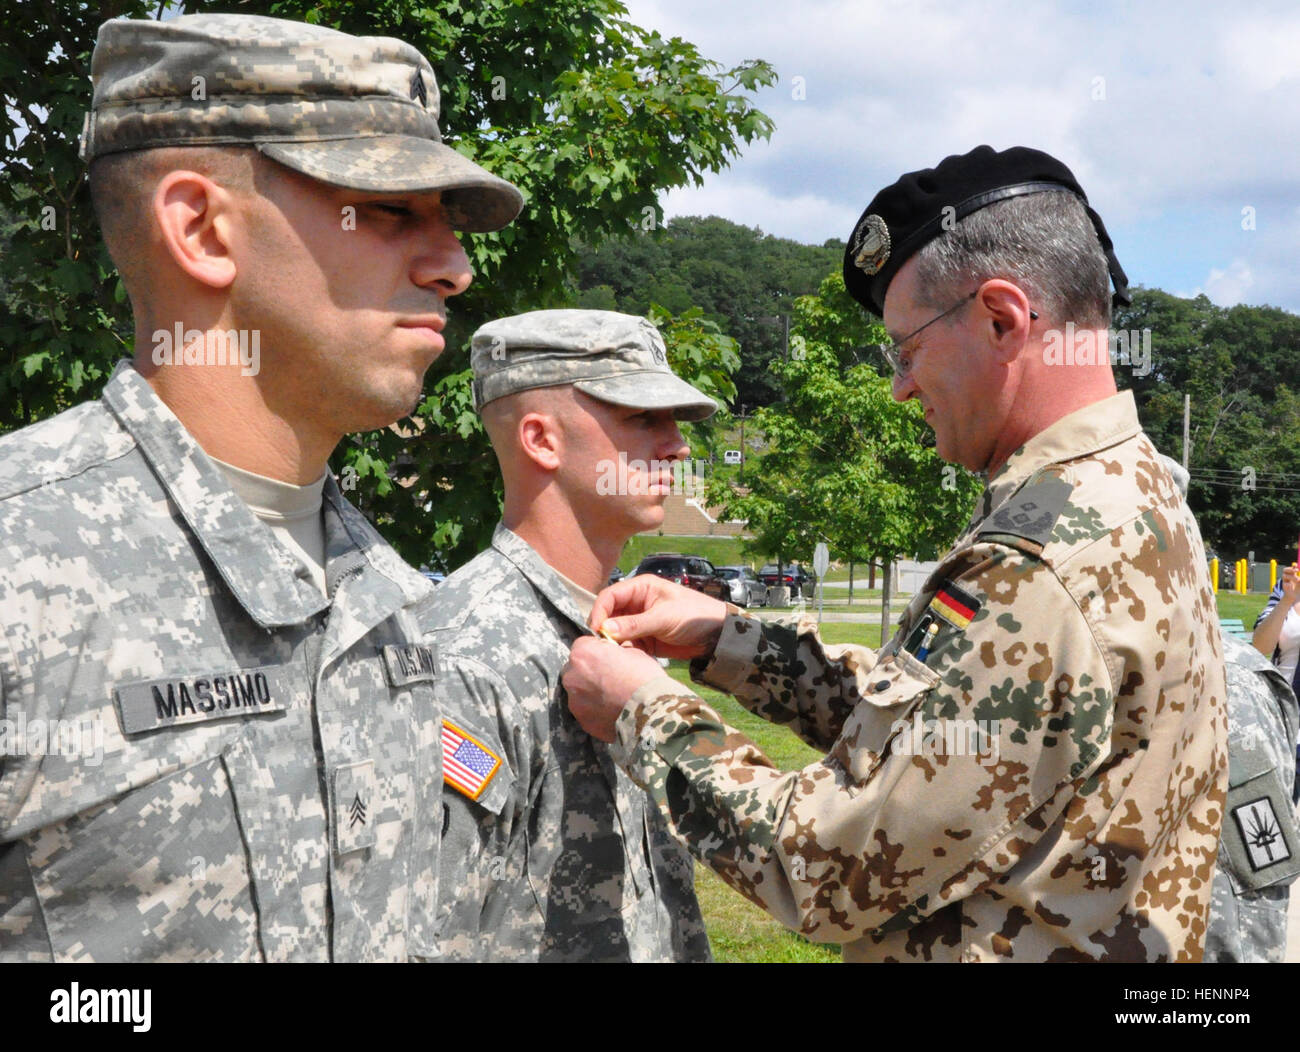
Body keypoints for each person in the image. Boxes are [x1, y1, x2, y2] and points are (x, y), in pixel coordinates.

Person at [563, 145, 1227, 962]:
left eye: (905, 350)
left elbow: (828, 870)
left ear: (1001, 318)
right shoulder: (1131, 491)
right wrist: (726, 640)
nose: (899, 389)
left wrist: (642, 711)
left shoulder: (1043, 561)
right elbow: (948, 745)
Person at [0, 13, 522, 961]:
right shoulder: (17, 568)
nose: (456, 266)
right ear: (200, 228)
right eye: (393, 210)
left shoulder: (402, 605)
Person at [425, 309, 712, 961]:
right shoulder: (462, 655)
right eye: (643, 419)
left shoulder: (630, 633)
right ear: (541, 440)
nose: (678, 446)